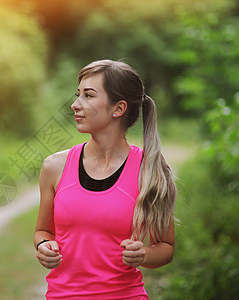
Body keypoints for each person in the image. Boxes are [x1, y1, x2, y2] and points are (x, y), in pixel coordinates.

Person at [33, 59, 177, 299]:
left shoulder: (149, 170)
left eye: (88, 96)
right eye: (78, 94)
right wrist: (43, 246)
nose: (74, 105)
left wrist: (145, 255)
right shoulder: (54, 167)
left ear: (118, 109)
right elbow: (43, 231)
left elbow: (167, 247)